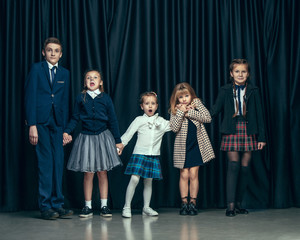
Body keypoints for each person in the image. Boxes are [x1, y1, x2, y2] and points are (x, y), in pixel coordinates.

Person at [63, 70, 123, 218]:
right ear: (85, 82)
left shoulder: (106, 99)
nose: (92, 79)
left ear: (100, 82)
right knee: (88, 173)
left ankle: (104, 205)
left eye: (95, 77)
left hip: (103, 137)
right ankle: (87, 206)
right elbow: (75, 118)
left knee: (102, 172)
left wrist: (118, 141)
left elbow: (113, 121)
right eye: (88, 77)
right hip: (86, 138)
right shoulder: (81, 98)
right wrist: (67, 131)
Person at [24, 37, 73, 220]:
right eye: (50, 50)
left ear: (61, 54)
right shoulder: (37, 69)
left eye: (56, 51)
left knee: (58, 163)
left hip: (58, 123)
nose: (53, 53)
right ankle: (45, 206)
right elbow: (30, 97)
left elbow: (65, 101)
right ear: (44, 52)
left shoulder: (65, 73)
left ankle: (57, 204)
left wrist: (66, 129)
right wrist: (32, 125)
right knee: (46, 164)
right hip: (41, 123)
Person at [210, 59, 266, 217]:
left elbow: (260, 115)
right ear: (231, 74)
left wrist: (261, 137)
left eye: (243, 71)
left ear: (248, 74)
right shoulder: (225, 90)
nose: (240, 74)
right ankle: (230, 206)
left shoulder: (254, 90)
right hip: (231, 128)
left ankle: (240, 203)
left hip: (249, 129)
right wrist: (197, 110)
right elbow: (215, 110)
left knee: (245, 168)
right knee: (233, 165)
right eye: (237, 71)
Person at [121, 92, 171, 218]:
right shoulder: (139, 120)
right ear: (142, 106)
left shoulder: (161, 121)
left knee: (148, 181)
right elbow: (129, 133)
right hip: (139, 154)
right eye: (147, 103)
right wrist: (120, 145)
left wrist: (179, 112)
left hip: (152, 155)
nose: (150, 106)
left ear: (157, 106)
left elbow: (173, 125)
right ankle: (126, 207)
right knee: (134, 179)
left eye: (153, 103)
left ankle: (146, 207)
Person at [169, 83, 215, 215]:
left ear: (191, 95)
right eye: (181, 97)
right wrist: (181, 113)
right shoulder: (175, 109)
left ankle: (193, 203)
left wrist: (190, 112)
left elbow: (207, 118)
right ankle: (184, 203)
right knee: (184, 174)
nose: (184, 99)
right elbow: (174, 128)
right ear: (177, 98)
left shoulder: (196, 104)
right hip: (183, 147)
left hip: (197, 145)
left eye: (186, 96)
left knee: (194, 174)